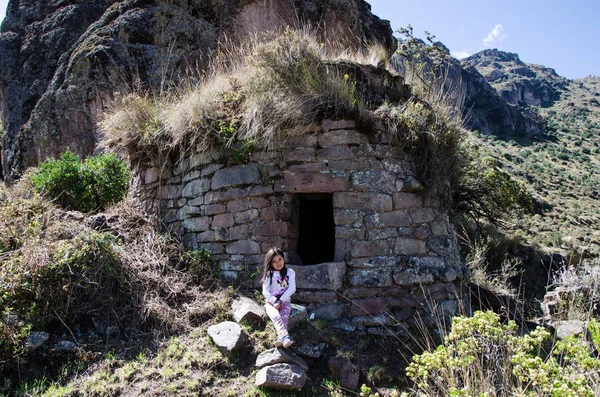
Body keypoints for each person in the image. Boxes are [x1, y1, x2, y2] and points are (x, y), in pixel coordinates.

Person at [261, 247, 296, 348]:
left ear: (283, 259)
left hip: (284, 301)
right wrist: (274, 301)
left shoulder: (290, 272)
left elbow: (292, 288)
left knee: (284, 317)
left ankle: (281, 338)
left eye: (279, 259)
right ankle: (285, 337)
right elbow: (265, 291)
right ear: (270, 263)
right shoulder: (269, 274)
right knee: (276, 316)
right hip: (270, 303)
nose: (278, 263)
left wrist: (281, 301)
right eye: (274, 261)